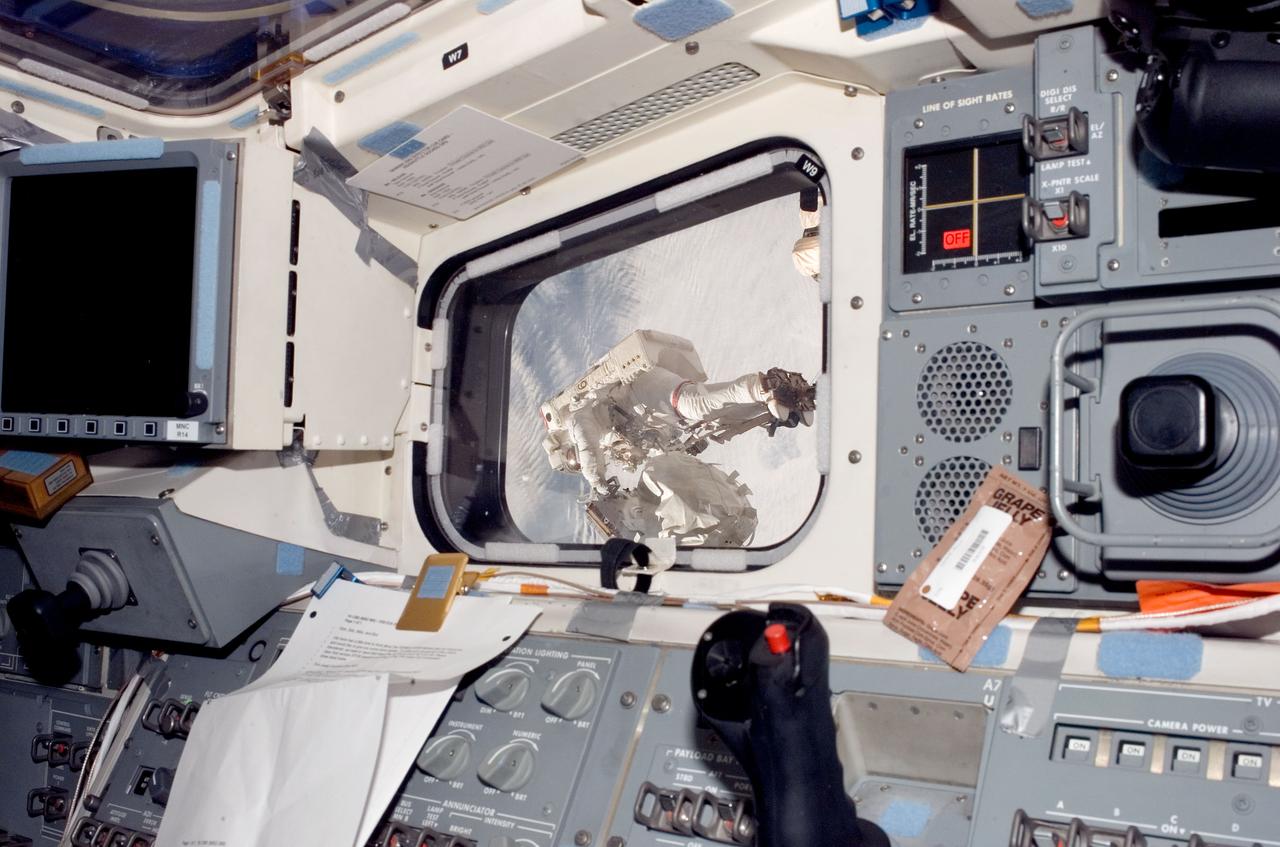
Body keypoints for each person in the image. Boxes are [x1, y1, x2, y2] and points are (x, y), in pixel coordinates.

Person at [540, 330, 814, 544]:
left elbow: (587, 449)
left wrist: (597, 483)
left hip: (640, 390)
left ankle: (767, 384)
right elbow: (658, 456)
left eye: (571, 459)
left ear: (561, 444)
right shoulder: (608, 438)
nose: (576, 460)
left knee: (695, 403)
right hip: (650, 413)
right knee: (715, 425)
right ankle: (780, 405)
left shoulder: (576, 417)